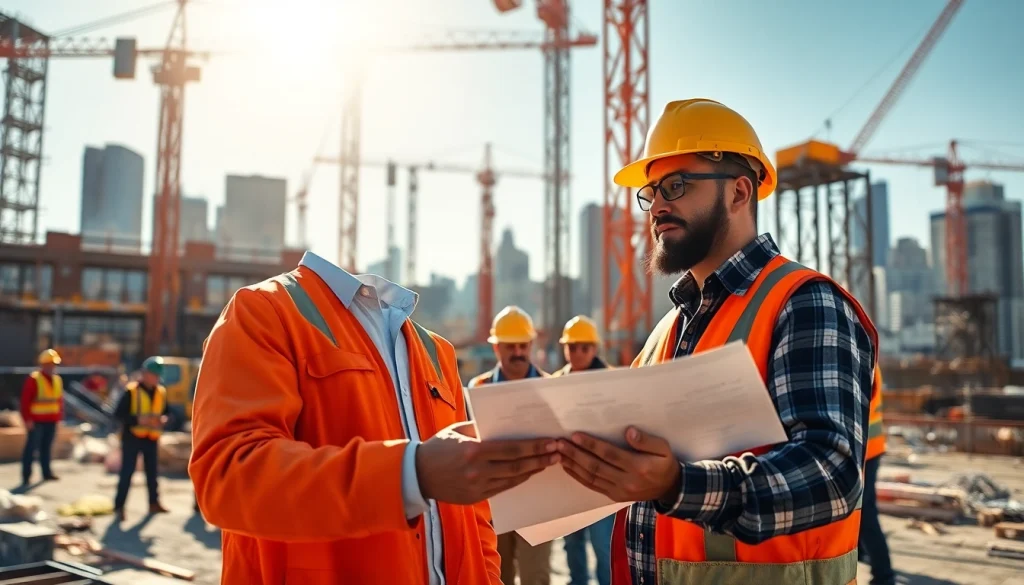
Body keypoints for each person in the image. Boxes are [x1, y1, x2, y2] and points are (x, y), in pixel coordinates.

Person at [552, 98, 879, 585]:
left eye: (677, 185)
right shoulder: (668, 329)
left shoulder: (804, 302)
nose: (658, 205)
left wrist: (679, 484)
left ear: (739, 193)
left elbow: (831, 475)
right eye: (652, 192)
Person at [189, 252, 559, 584]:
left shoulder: (435, 350)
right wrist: (413, 474)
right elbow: (229, 475)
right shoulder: (263, 311)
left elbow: (473, 513)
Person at [468, 305, 552, 585]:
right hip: (493, 505)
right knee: (494, 577)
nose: (517, 352)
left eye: (522, 345)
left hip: (538, 504)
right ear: (496, 349)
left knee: (535, 578)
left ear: (530, 345)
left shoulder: (552, 389)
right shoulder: (477, 389)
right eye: (509, 346)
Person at [551, 315, 614, 585]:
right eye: (572, 347)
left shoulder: (611, 384)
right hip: (568, 480)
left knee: (604, 548)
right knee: (573, 545)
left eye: (583, 347)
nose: (577, 353)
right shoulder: (552, 383)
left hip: (603, 483)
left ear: (594, 348)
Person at [113, 356, 170, 522]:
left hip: (151, 438)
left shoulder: (161, 392)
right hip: (132, 438)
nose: (156, 379)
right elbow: (118, 414)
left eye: (158, 377)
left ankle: (154, 503)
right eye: (154, 375)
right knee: (127, 473)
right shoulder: (131, 391)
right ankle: (119, 507)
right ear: (145, 374)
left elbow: (167, 412)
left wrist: (164, 419)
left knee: (152, 473)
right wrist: (137, 420)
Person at [860, 367, 895, 585]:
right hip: (869, 447)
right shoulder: (866, 351)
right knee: (861, 511)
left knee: (865, 515)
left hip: (866, 450)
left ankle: (884, 576)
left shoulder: (862, 354)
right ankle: (859, 554)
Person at [20, 349, 64, 486]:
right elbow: (25, 402)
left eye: (54, 364)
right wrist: (27, 420)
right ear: (43, 364)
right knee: (31, 449)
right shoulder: (34, 379)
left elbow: (59, 401)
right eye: (50, 364)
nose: (52, 367)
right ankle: (26, 477)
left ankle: (47, 473)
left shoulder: (57, 380)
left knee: (46, 448)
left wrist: (59, 419)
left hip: (51, 420)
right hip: (36, 421)